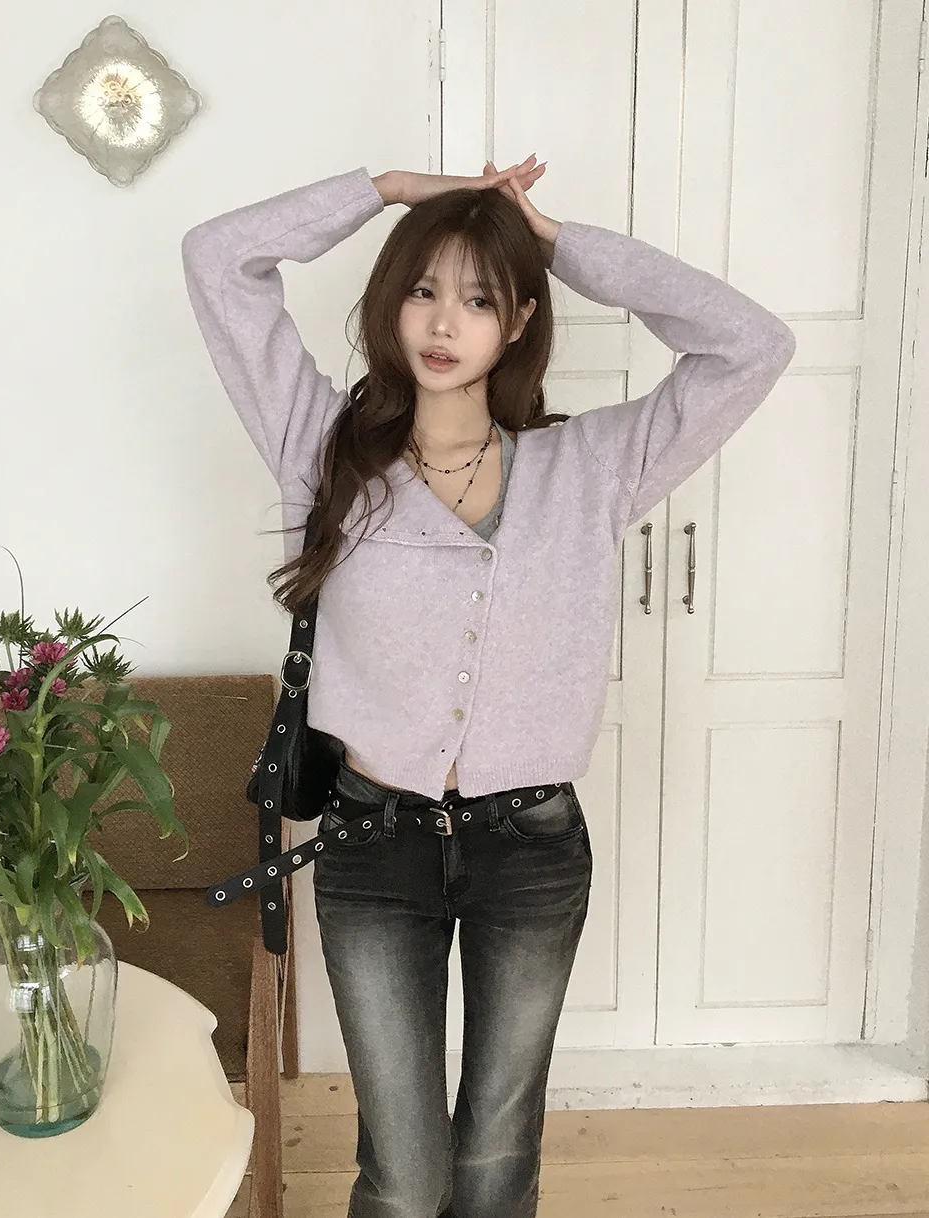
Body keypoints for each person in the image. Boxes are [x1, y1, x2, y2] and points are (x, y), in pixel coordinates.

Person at [181, 156, 795, 1218]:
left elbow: (753, 344)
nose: (442, 321)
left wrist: (553, 242)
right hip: (373, 844)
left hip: (532, 851)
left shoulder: (590, 467)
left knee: (497, 1162)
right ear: (390, 303)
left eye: (478, 298)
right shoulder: (321, 451)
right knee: (405, 1178)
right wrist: (383, 190)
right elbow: (216, 258)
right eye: (423, 289)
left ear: (517, 323)